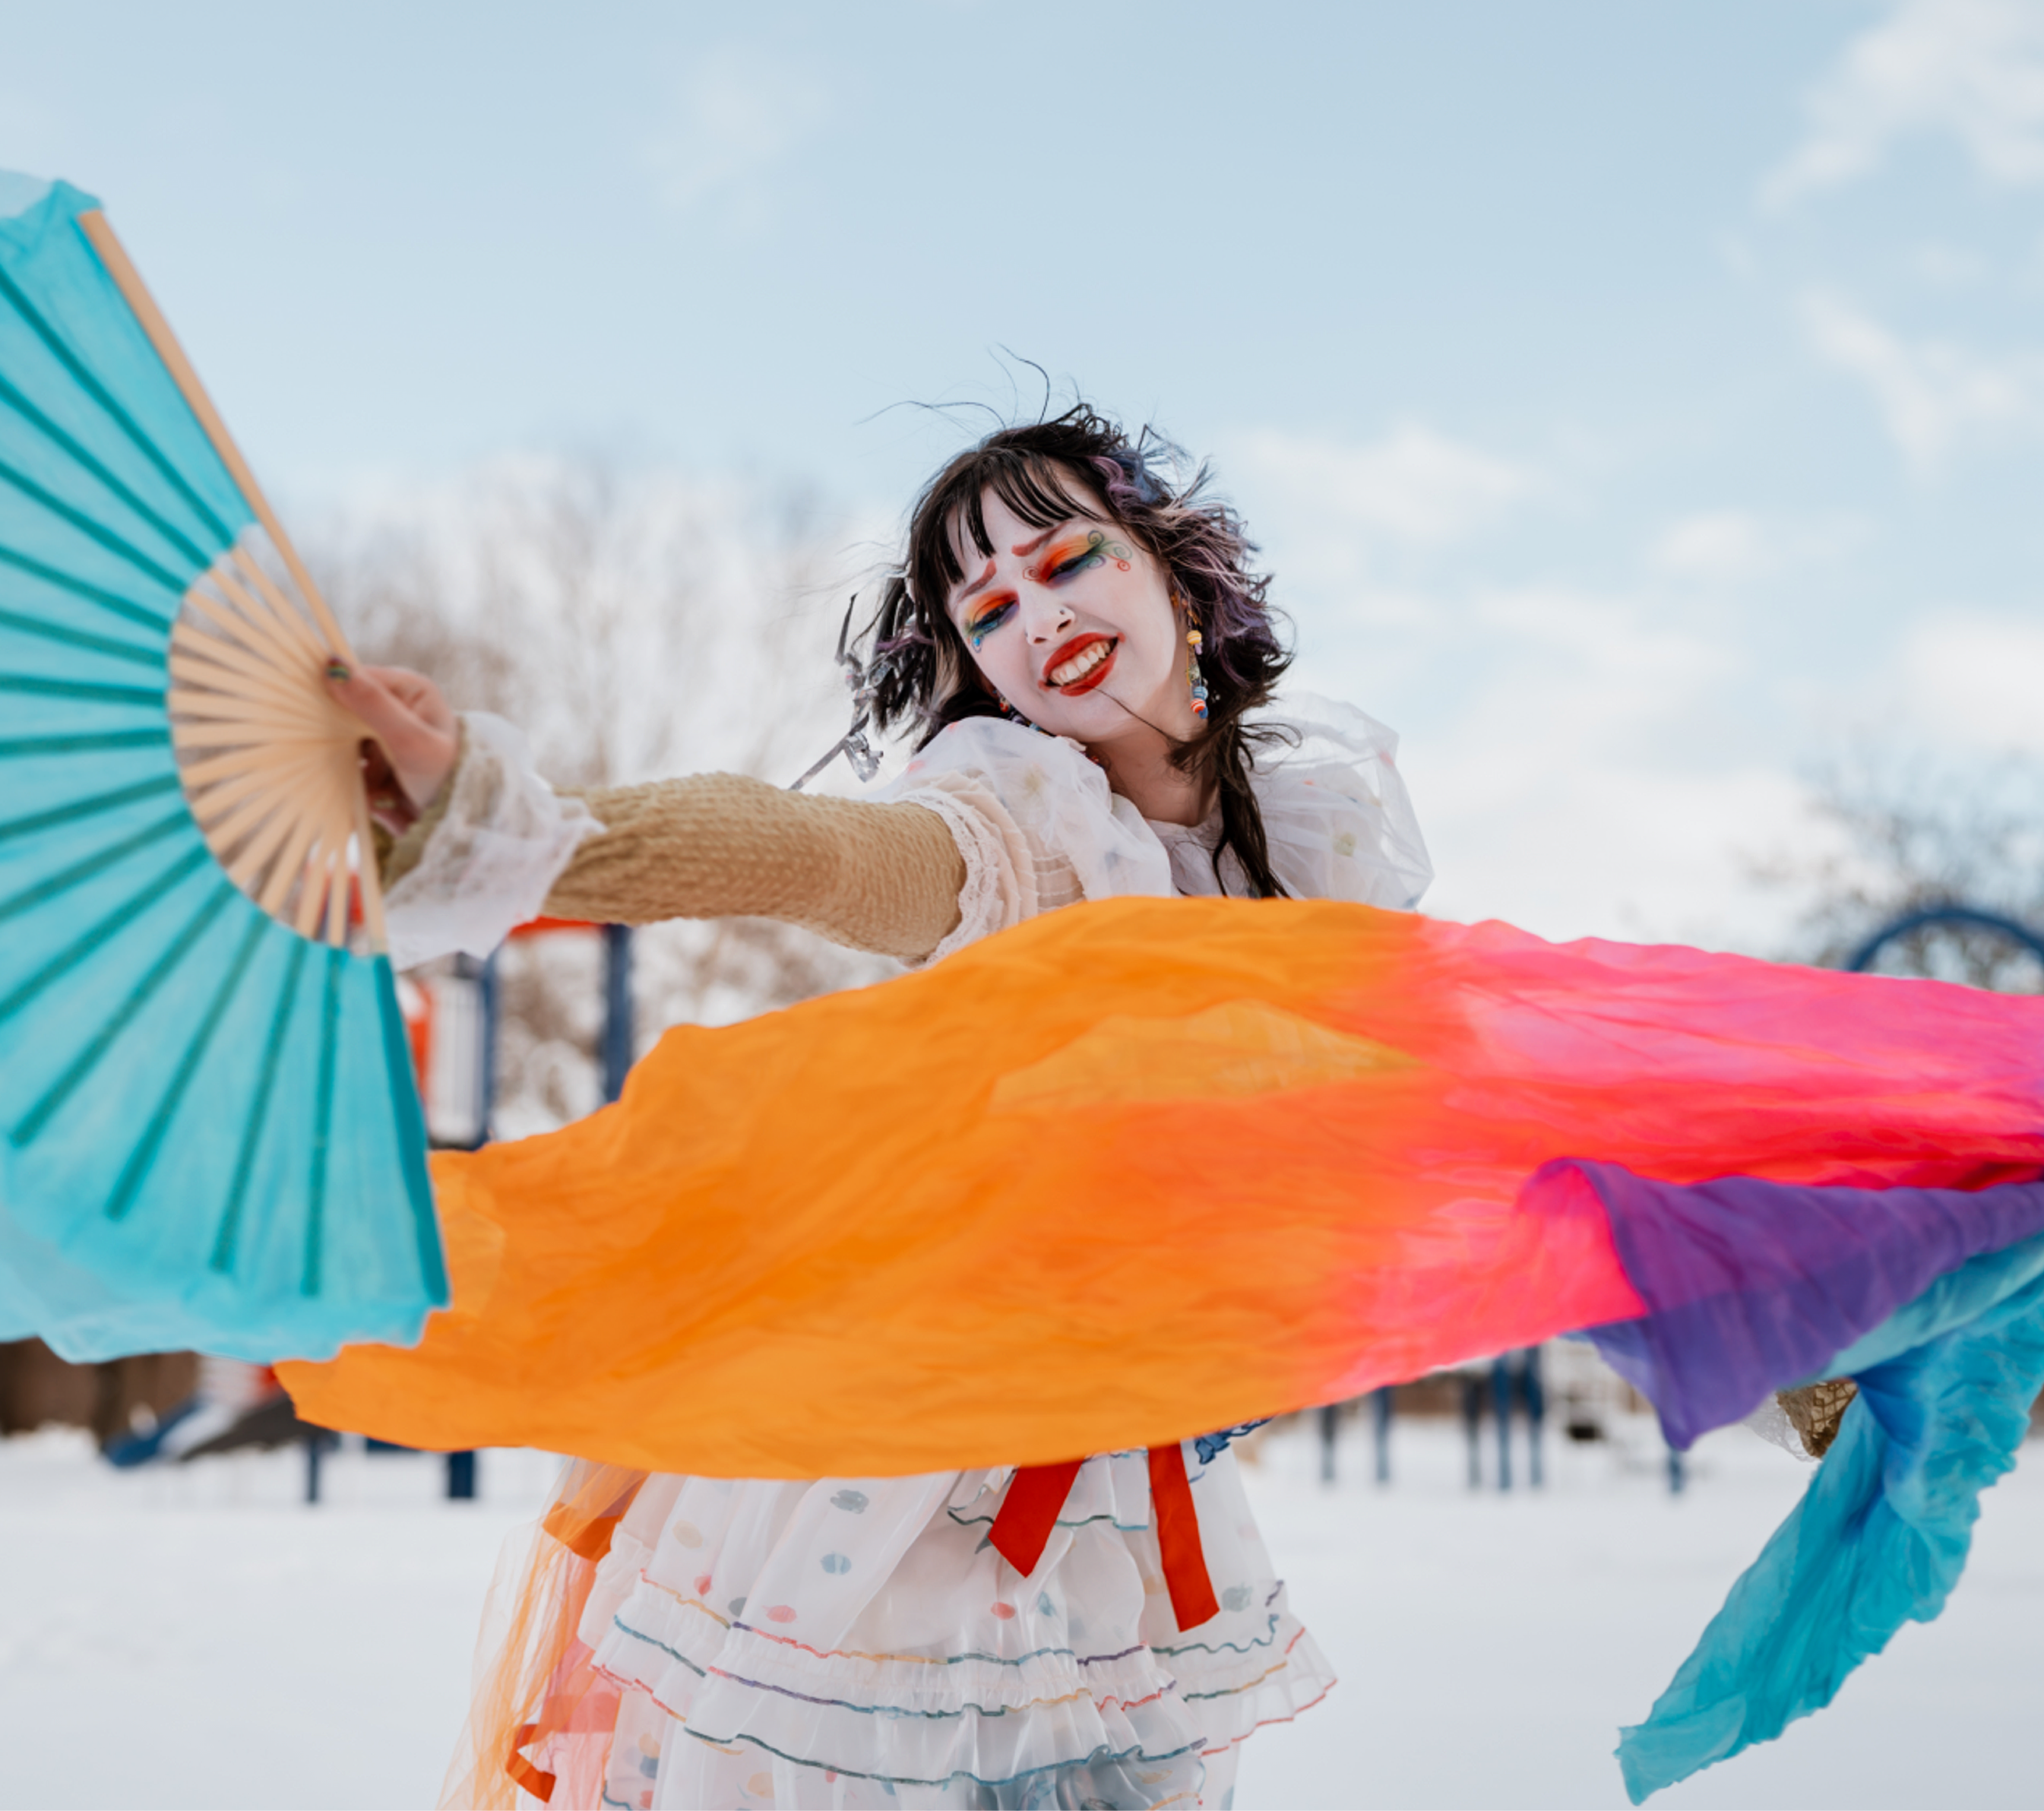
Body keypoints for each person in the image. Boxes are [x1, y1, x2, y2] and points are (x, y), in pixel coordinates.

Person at [322, 407, 1432, 1811]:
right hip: (895, 1481)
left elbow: (1506, 1147)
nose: (1037, 616)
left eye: (1068, 558)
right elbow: (814, 852)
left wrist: (1792, 1372)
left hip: (1114, 1484)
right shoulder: (1025, 833)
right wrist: (512, 827)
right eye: (989, 611)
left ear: (1171, 567)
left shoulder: (1321, 856)